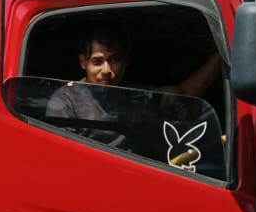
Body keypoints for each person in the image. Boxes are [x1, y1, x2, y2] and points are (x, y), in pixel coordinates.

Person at [45, 23, 221, 149]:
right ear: (83, 62)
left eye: (114, 60)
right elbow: (64, 156)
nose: (107, 70)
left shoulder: (136, 96)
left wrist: (222, 53)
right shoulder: (66, 101)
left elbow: (183, 94)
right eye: (97, 61)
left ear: (125, 61)